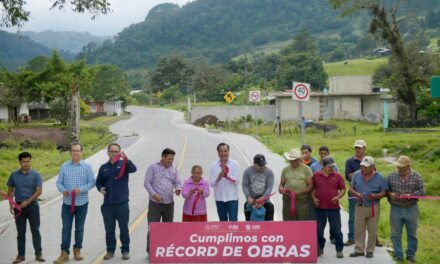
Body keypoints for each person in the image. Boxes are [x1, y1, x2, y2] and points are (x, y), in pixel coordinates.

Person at [54, 142, 95, 264]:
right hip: (67, 204)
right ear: (70, 152)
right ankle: (64, 253)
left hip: (82, 203)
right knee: (66, 228)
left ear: (81, 152)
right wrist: (63, 190)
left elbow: (92, 182)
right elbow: (59, 183)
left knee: (79, 228)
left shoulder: (87, 167)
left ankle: (77, 249)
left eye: (78, 150)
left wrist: (80, 190)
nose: (75, 153)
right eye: (73, 150)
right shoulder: (64, 166)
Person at [96, 143, 137, 260]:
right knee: (109, 229)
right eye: (111, 151)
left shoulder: (124, 165)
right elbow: (98, 181)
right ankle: (110, 250)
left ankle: (125, 250)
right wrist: (100, 188)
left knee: (123, 228)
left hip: (122, 204)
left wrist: (125, 159)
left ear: (119, 153)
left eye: (116, 151)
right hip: (108, 204)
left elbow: (134, 169)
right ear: (108, 152)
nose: (113, 153)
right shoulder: (103, 167)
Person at [6, 152, 45, 264]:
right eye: (24, 161)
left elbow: (39, 191)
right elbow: (10, 190)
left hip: (32, 206)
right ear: (20, 162)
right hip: (18, 207)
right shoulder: (13, 175)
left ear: (30, 161)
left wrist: (27, 202)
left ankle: (39, 254)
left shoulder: (36, 175)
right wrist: (11, 204)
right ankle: (21, 255)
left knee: (35, 231)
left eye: (28, 161)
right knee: (20, 232)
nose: (26, 163)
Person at [144, 148, 182, 255]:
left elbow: (178, 182)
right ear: (163, 157)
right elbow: (147, 183)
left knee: (168, 227)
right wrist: (154, 194)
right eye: (169, 159)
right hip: (155, 203)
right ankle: (150, 251)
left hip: (169, 203)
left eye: (172, 159)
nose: (171, 161)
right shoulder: (153, 167)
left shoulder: (173, 170)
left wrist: (178, 189)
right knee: (153, 227)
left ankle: (166, 250)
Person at [387, 156, 425, 263]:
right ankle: (398, 254)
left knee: (412, 234)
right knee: (395, 234)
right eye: (398, 166)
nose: (399, 169)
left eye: (402, 167)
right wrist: (390, 194)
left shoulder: (417, 177)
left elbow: (422, 192)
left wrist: (411, 195)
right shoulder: (391, 176)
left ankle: (411, 255)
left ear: (408, 166)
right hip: (396, 208)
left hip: (411, 209)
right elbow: (386, 191)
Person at [349, 156, 387, 259]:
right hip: (360, 205)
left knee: (372, 229)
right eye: (362, 166)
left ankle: (370, 250)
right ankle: (359, 250)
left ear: (372, 167)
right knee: (358, 228)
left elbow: (384, 191)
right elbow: (351, 187)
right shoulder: (357, 175)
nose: (363, 169)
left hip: (373, 206)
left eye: (366, 167)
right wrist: (356, 193)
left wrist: (376, 196)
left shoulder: (380, 177)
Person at [312, 157, 346, 259]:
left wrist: (338, 197)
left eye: (332, 166)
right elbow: (311, 189)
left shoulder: (337, 176)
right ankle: (320, 248)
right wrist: (313, 198)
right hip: (319, 209)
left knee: (337, 230)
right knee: (318, 231)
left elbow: (343, 189)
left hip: (334, 209)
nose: (332, 168)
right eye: (329, 166)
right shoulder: (316, 175)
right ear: (323, 165)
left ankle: (339, 250)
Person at [279, 148, 313, 221]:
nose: (293, 162)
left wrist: (300, 192)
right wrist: (281, 189)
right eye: (291, 160)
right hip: (287, 199)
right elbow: (281, 184)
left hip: (301, 200)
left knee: (301, 220)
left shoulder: (307, 169)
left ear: (299, 159)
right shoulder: (285, 170)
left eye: (295, 160)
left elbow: (310, 186)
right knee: (287, 220)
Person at [344, 139, 366, 246]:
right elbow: (348, 177)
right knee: (353, 217)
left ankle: (374, 239)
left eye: (360, 148)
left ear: (364, 149)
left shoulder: (369, 160)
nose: (358, 150)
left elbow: (373, 174)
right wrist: (361, 171)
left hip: (367, 194)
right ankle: (351, 238)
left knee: (370, 217)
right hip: (353, 193)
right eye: (356, 148)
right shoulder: (349, 161)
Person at [210, 143, 240, 221]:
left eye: (225, 151)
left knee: (233, 221)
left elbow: (236, 181)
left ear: (228, 152)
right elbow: (212, 184)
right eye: (221, 151)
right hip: (219, 198)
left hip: (232, 198)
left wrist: (226, 175)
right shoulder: (214, 165)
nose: (223, 153)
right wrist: (219, 177)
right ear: (218, 153)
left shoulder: (235, 164)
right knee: (222, 222)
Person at [242, 154, 275, 221]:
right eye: (260, 165)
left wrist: (264, 198)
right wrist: (248, 197)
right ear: (254, 164)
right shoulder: (247, 171)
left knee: (270, 208)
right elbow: (244, 185)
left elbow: (269, 187)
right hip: (252, 202)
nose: (262, 167)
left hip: (265, 202)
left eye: (263, 164)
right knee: (249, 222)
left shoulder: (269, 172)